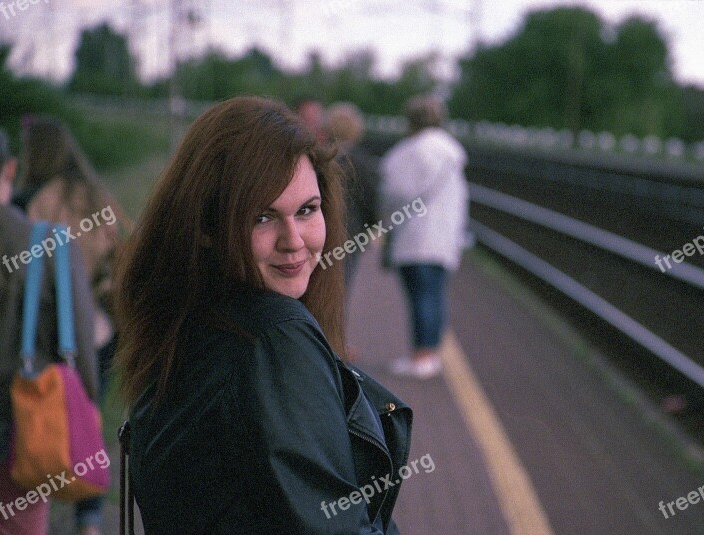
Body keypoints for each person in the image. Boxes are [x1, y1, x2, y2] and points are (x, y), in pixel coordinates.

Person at [114, 96, 412, 534]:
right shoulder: (275, 338)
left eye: (307, 210)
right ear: (208, 226)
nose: (294, 240)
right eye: (262, 217)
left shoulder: (184, 316)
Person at [14, 117, 130, 535]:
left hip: (43, 335)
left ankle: (33, 506)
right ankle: (91, 523)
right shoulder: (98, 196)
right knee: (86, 420)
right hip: (99, 330)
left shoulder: (30, 201)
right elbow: (123, 251)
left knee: (39, 417)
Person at [0, 128, 98, 535]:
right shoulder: (49, 245)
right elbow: (82, 344)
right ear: (9, 169)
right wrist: (86, 401)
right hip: (23, 426)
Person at [380, 95, 469, 379]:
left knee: (420, 296)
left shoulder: (407, 153)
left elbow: (393, 193)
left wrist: (385, 222)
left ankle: (421, 357)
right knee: (434, 294)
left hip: (413, 236)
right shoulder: (452, 153)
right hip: (443, 238)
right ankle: (430, 353)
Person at [324, 102, 380, 289]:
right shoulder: (362, 161)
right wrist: (372, 227)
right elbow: (372, 199)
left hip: (322, 231)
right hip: (351, 233)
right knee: (341, 289)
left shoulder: (321, 157)